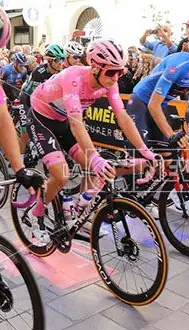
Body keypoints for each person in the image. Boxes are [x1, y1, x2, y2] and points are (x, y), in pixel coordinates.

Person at [27, 39, 158, 241]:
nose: (116, 78)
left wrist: (145, 151)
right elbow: (77, 124)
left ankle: (79, 213)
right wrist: (96, 158)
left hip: (63, 122)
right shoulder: (73, 77)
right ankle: (37, 213)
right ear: (95, 67)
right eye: (111, 72)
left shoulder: (109, 83)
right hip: (41, 119)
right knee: (61, 176)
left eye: (120, 72)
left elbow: (122, 117)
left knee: (98, 168)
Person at [127, 27, 189, 147]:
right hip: (140, 100)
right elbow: (153, 105)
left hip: (160, 105)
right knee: (140, 155)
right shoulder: (178, 65)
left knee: (168, 157)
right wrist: (171, 135)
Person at [0, 6, 43, 196]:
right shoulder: (7, 70)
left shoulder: (24, 70)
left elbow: (2, 117)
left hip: (13, 98)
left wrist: (19, 169)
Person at [19, 44, 65, 156]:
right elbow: (35, 98)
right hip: (27, 98)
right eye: (58, 59)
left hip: (42, 101)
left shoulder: (61, 73)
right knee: (26, 130)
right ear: (49, 61)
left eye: (63, 58)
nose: (61, 62)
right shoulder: (39, 72)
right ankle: (19, 159)